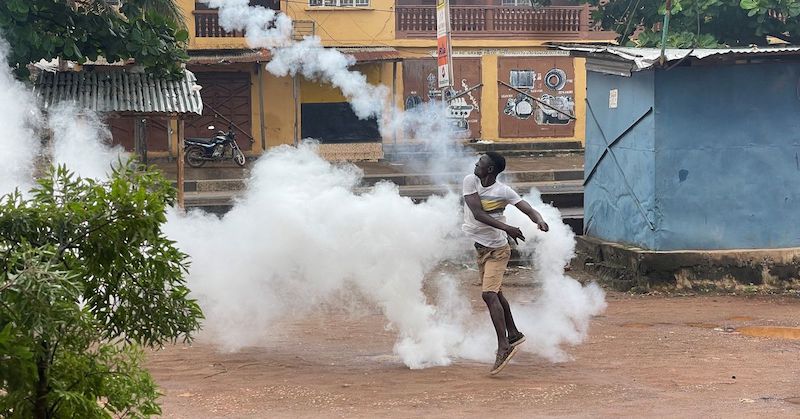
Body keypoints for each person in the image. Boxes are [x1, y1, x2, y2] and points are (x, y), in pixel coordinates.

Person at [462, 152, 549, 375]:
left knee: (489, 294)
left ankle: (504, 346)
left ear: (490, 170)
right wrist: (508, 228)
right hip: (480, 249)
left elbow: (527, 208)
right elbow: (478, 213)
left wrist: (539, 220)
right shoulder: (470, 181)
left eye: (480, 163)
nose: (476, 165)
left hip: (498, 251)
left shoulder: (503, 191)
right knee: (497, 294)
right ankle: (514, 333)